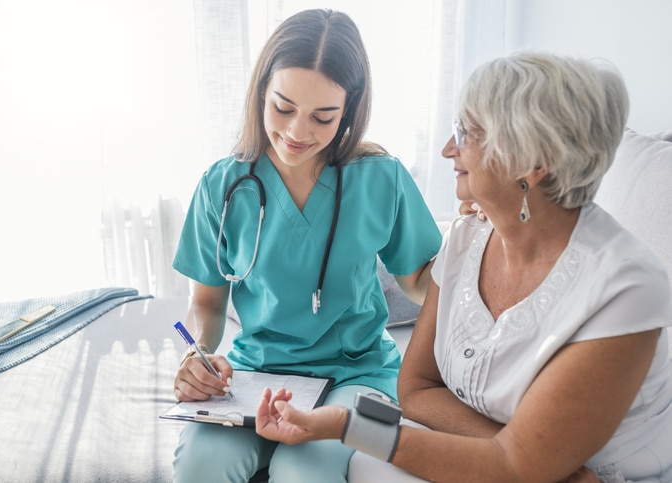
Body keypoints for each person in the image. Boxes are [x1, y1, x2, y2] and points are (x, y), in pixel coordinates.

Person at [255, 51, 672, 482]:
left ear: (534, 161)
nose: (448, 149)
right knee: (368, 466)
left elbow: (513, 468)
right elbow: (416, 390)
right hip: (529, 466)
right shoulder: (468, 237)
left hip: (604, 476)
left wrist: (348, 425)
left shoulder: (625, 288)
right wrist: (531, 456)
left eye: (467, 133)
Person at [171, 8, 442, 482]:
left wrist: (485, 248)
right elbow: (207, 303)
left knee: (304, 472)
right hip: (255, 374)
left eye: (323, 117)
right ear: (260, 93)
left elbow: (422, 281)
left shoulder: (382, 178)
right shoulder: (222, 185)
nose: (297, 132)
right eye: (283, 107)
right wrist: (198, 355)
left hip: (361, 377)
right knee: (200, 465)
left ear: (350, 111)